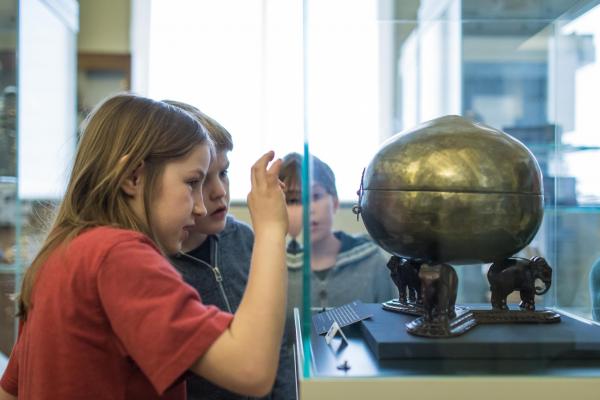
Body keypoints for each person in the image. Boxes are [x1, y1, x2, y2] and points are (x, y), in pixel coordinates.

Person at [0, 93, 288, 400]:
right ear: (134, 177)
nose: (200, 208)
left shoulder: (64, 250)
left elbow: (11, 390)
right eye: (192, 183)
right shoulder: (119, 256)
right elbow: (251, 370)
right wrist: (271, 229)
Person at [164, 101, 295, 400]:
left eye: (223, 173)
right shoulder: (155, 264)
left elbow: (278, 342)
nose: (219, 191)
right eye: (199, 180)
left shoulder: (244, 240)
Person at [279, 152, 396, 349]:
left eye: (315, 196)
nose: (308, 209)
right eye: (293, 201)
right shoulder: (273, 270)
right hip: (295, 379)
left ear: (334, 202)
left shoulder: (372, 261)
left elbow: (390, 332)